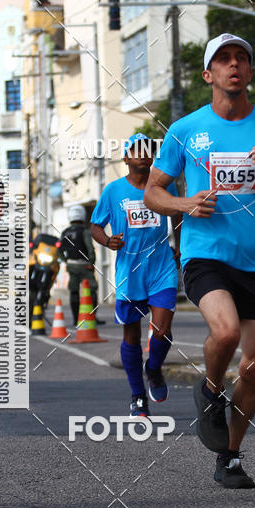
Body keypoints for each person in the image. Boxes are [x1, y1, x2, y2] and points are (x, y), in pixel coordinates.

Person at [145, 32, 255, 489]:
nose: (234, 65)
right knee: (226, 331)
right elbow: (152, 193)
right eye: (224, 59)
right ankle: (211, 389)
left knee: (254, 365)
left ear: (250, 72)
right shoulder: (184, 130)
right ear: (208, 74)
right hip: (205, 254)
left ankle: (230, 457)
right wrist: (185, 204)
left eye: (241, 58)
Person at [90, 133, 181, 417]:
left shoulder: (165, 186)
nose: (143, 153)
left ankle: (153, 369)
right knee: (132, 334)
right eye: (136, 149)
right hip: (130, 272)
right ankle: (137, 395)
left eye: (148, 149)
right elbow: (95, 226)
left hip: (161, 267)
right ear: (127, 157)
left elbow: (177, 215)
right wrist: (107, 241)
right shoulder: (113, 191)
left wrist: (178, 244)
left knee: (162, 330)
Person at [59, 203, 105, 325]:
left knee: (73, 291)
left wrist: (65, 261)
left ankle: (75, 320)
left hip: (71, 266)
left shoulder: (65, 232)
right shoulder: (85, 231)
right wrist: (91, 262)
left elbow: (59, 249)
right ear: (83, 216)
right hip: (85, 266)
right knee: (92, 290)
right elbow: (90, 248)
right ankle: (92, 317)